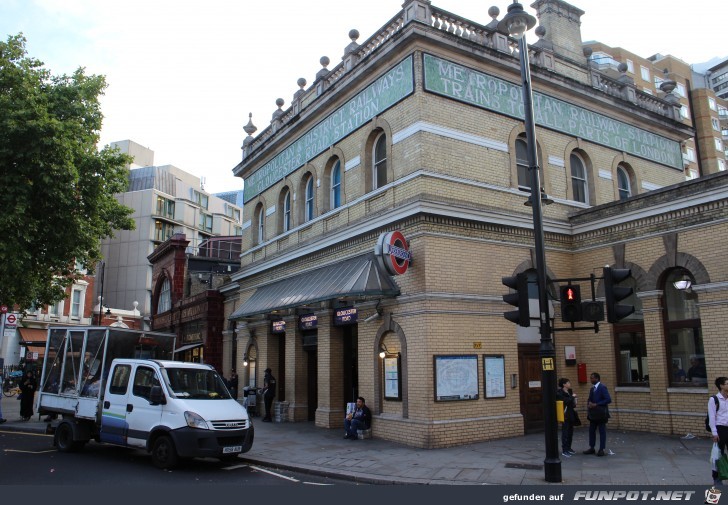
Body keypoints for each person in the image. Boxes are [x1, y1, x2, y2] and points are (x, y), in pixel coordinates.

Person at [583, 372, 611, 457]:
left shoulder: (602, 387)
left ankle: (601, 449)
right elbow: (590, 398)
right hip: (593, 414)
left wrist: (597, 404)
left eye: (592, 378)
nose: (591, 379)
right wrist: (589, 403)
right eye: (590, 378)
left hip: (601, 413)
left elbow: (608, 399)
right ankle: (592, 447)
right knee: (592, 431)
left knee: (602, 431)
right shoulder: (592, 389)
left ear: (597, 379)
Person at [708, 377, 728, 486]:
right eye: (727, 384)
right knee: (718, 454)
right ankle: (716, 478)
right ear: (721, 386)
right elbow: (712, 417)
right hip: (720, 429)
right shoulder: (714, 399)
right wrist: (714, 433)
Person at [556, 378, 578, 457]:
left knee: (570, 432)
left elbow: (572, 403)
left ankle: (569, 448)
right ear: (564, 384)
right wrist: (572, 397)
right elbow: (565, 401)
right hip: (565, 414)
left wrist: (575, 400)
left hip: (571, 413)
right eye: (568, 383)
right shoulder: (559, 393)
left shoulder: (570, 391)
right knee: (565, 432)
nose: (569, 384)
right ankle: (564, 449)